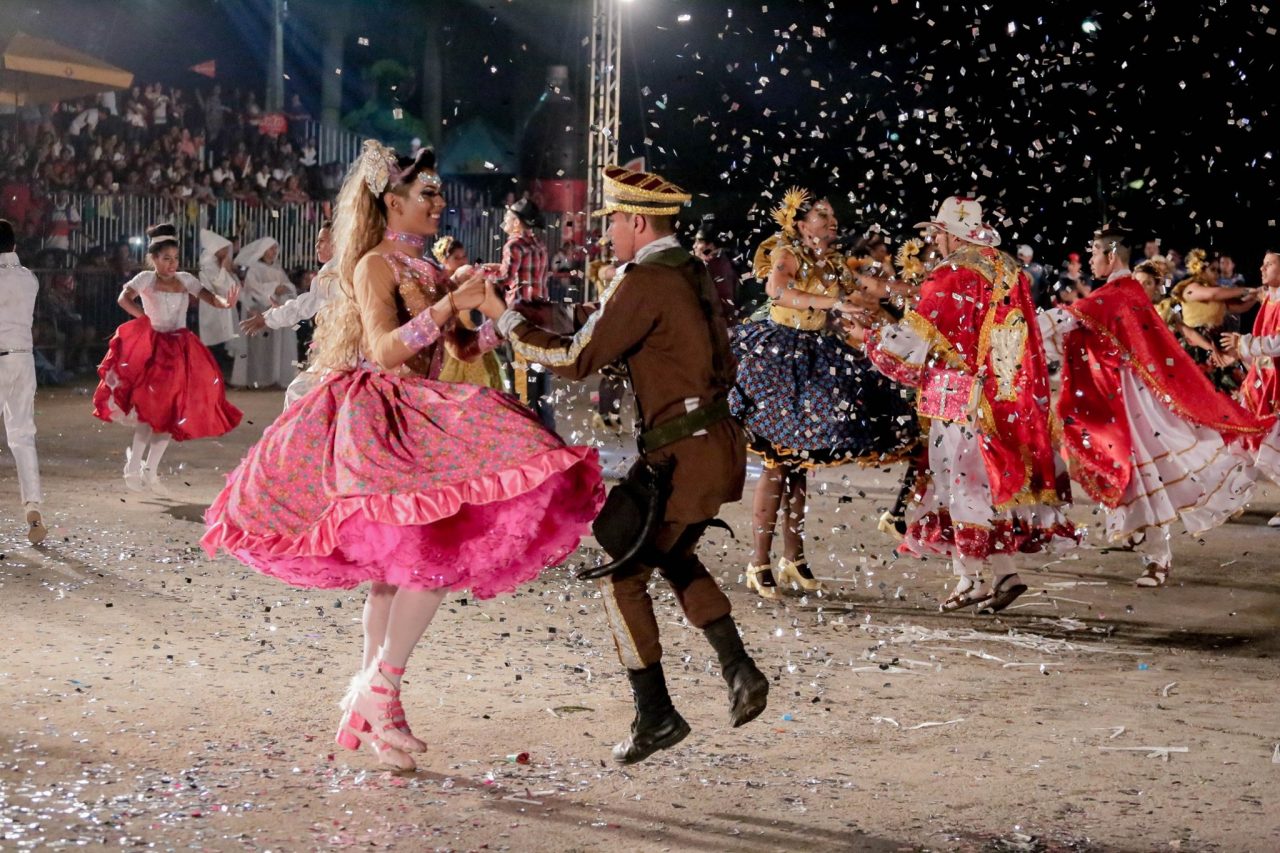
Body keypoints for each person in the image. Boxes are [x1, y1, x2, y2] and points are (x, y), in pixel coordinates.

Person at [201, 141, 603, 773]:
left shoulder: (431, 268)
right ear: (393, 204)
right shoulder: (373, 266)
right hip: (385, 416)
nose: (440, 203)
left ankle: (369, 706)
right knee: (424, 557)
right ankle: (383, 686)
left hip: (425, 407)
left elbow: (463, 350)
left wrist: (489, 316)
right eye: (429, 194)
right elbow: (387, 350)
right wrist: (448, 306)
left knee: (398, 567)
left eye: (440, 193)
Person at [467, 163, 768, 765]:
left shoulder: (645, 279)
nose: (606, 234)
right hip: (709, 444)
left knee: (620, 574)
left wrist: (502, 317)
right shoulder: (687, 267)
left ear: (637, 220)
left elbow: (578, 359)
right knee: (666, 551)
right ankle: (739, 670)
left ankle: (655, 713)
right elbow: (621, 330)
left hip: (680, 452)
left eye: (614, 223)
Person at [845, 196, 1077, 613]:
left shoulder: (953, 273)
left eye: (937, 232)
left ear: (951, 234)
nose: (934, 241)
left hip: (960, 398)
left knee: (960, 484)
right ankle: (1002, 574)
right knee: (977, 487)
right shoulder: (1009, 268)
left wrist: (872, 338)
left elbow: (921, 339)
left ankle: (971, 578)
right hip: (1004, 398)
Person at [1039, 231, 1268, 587]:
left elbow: (1070, 319)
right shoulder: (1123, 291)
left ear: (1111, 254)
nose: (1091, 261)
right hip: (1122, 396)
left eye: (1095, 254)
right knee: (1135, 473)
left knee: (1147, 472)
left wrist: (1020, 324)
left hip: (1136, 402)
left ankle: (1157, 558)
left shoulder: (1118, 293)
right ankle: (1142, 539)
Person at [729, 187, 916, 599]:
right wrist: (831, 302)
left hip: (814, 357)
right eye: (822, 216)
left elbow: (868, 285)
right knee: (778, 463)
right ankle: (757, 561)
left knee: (799, 463)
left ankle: (792, 557)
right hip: (779, 359)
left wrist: (920, 290)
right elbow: (778, 292)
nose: (832, 222)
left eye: (833, 215)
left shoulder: (832, 261)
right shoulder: (785, 251)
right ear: (800, 222)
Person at [93, 223, 242, 492]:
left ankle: (150, 471)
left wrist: (225, 303)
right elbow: (123, 299)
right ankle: (133, 468)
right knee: (151, 414)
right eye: (166, 258)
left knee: (172, 414)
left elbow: (210, 298)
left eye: (175, 258)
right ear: (154, 259)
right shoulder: (146, 279)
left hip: (181, 351)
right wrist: (144, 320)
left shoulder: (186, 279)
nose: (172, 263)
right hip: (155, 350)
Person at [240, 221, 341, 408]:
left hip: (345, 348)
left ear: (337, 243)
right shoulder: (337, 269)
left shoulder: (333, 272)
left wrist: (270, 316)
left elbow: (305, 305)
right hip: (341, 345)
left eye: (321, 241)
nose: (317, 246)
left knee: (300, 393)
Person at [1221, 250, 1280, 526]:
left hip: (1276, 388)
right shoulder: (1269, 299)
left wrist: (1243, 344)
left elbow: (1276, 343)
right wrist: (1240, 351)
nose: (1262, 268)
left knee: (1269, 450)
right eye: (1263, 263)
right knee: (1244, 445)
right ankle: (1231, 499)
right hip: (1259, 384)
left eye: (1269, 264)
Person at [0, 219, 47, 544]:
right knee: (22, 436)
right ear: (14, 246)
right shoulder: (29, 278)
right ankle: (33, 509)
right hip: (23, 358)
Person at [487, 198, 553, 429]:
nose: (504, 221)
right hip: (542, 318)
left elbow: (505, 278)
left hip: (519, 319)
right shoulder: (539, 244)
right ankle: (547, 430)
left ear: (517, 222)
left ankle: (527, 432)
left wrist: (480, 277)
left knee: (520, 381)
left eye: (508, 217)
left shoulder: (514, 245)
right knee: (540, 381)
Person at [1158, 248, 1256, 393]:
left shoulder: (1219, 292)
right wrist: (1248, 290)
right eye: (1213, 270)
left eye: (1218, 270)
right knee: (1199, 389)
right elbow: (1213, 294)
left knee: (1231, 389)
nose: (1217, 274)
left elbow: (1240, 307)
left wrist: (1260, 294)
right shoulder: (1190, 288)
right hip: (1196, 346)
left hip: (1219, 342)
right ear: (1200, 270)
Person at [431, 236, 503, 389]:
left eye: (464, 256)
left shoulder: (467, 277)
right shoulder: (439, 283)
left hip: (468, 333)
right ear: (444, 260)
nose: (463, 261)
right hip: (450, 339)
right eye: (457, 258)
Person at [231, 236, 298, 389]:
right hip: (260, 312)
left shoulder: (277, 268)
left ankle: (274, 378)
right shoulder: (254, 268)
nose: (274, 252)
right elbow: (252, 289)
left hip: (276, 313)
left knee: (275, 349)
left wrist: (285, 288)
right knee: (260, 349)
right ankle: (258, 380)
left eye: (276, 248)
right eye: (271, 248)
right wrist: (274, 288)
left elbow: (289, 286)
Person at [197, 229, 241, 377]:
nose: (227, 252)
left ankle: (218, 377)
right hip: (213, 309)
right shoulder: (208, 265)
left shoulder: (216, 263)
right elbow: (223, 286)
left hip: (222, 309)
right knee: (214, 345)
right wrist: (225, 267)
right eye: (224, 249)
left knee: (221, 345)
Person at [693, 215, 740, 323]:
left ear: (711, 246)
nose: (694, 246)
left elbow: (725, 306)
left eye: (699, 242)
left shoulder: (719, 269)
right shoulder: (709, 263)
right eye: (695, 241)